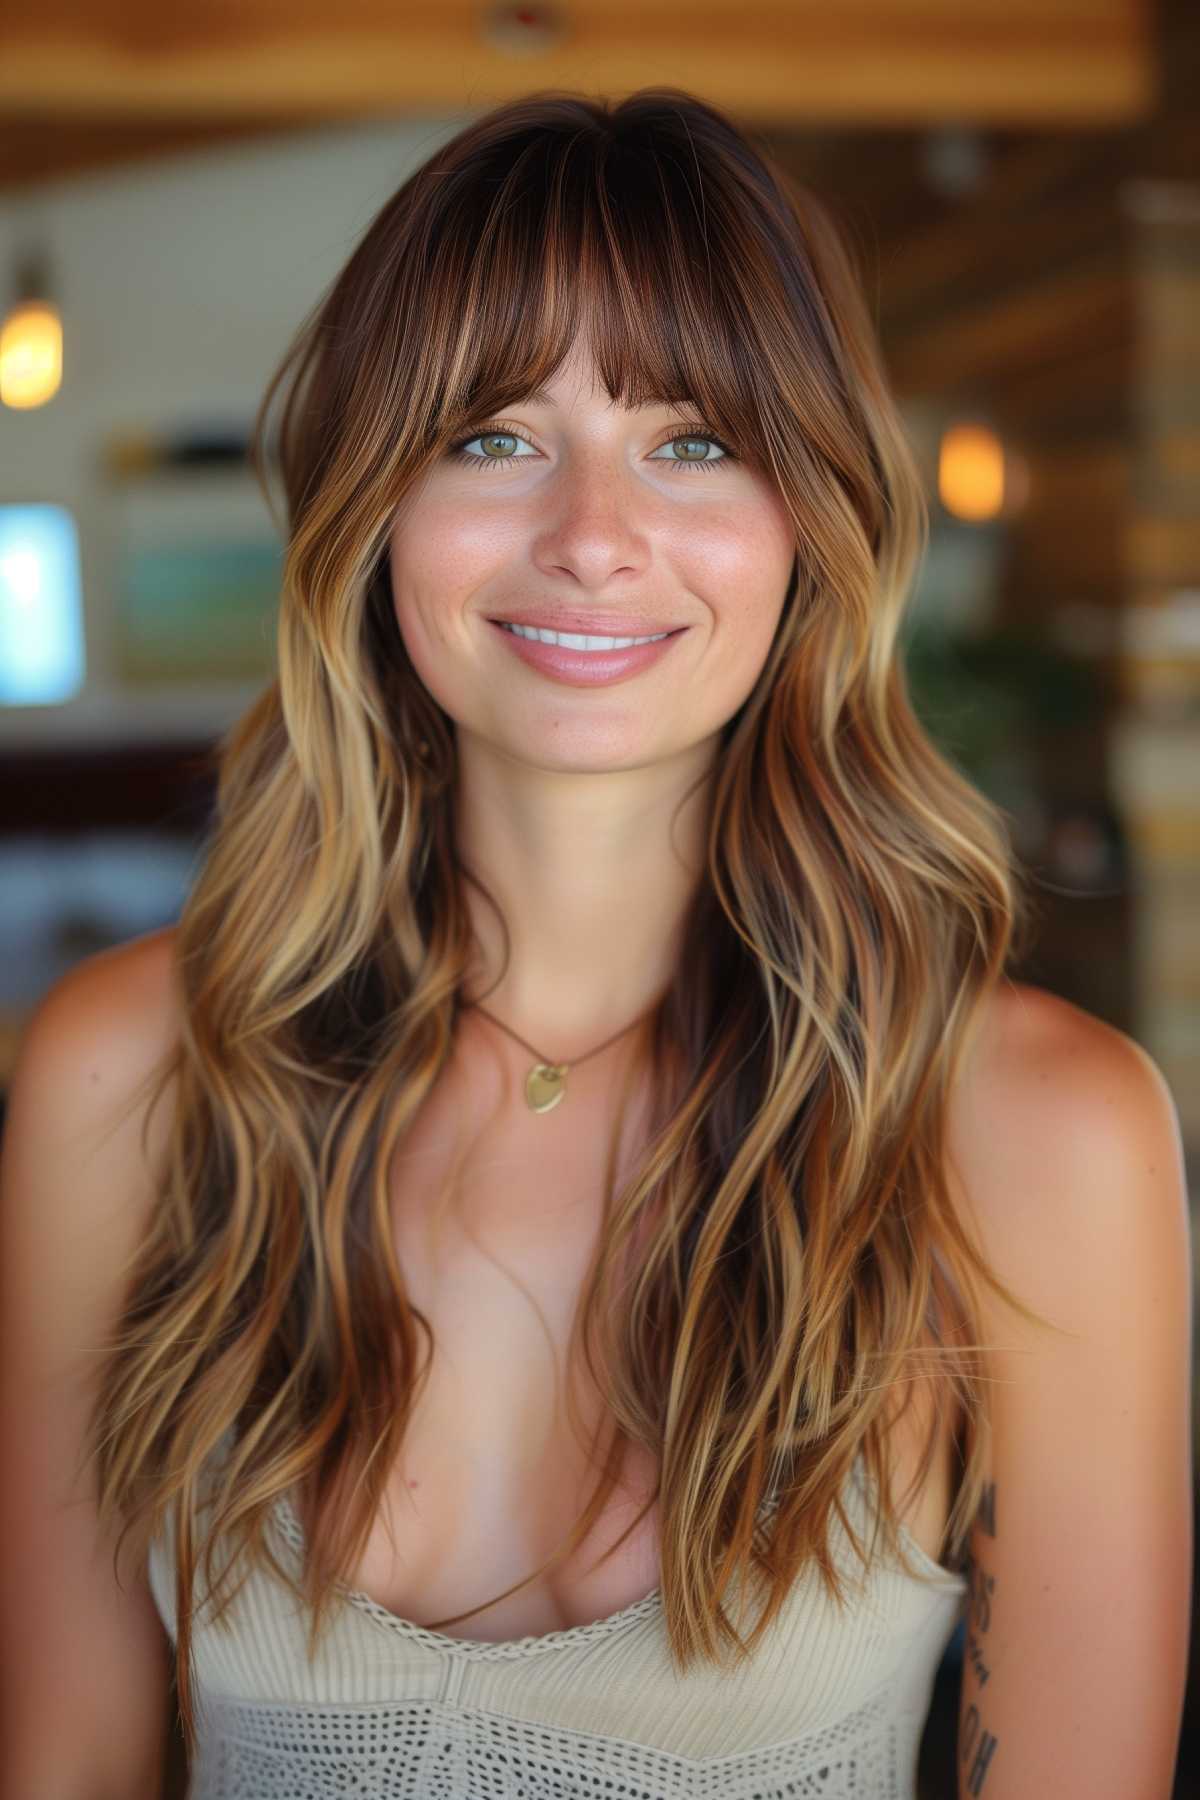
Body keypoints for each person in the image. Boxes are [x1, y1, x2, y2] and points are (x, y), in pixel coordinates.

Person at [0, 87, 1191, 1800]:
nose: (592, 536)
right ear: (371, 505)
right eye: (492, 435)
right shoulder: (136, 1076)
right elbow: (68, 1762)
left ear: (815, 515)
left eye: (694, 438)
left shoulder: (1031, 1134)